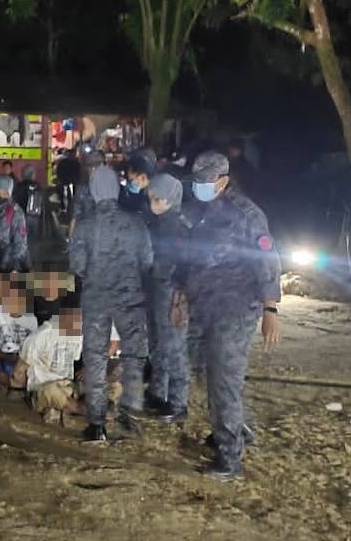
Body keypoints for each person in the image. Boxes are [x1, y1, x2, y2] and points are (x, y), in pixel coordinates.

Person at [178, 151, 280, 481]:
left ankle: (229, 457)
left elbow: (266, 260)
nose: (200, 187)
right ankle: (235, 427)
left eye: (205, 182)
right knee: (204, 371)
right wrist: (180, 293)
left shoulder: (247, 214)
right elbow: (188, 255)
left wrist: (270, 309)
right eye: (197, 182)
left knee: (224, 379)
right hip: (202, 305)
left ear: (223, 181)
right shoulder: (199, 210)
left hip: (234, 309)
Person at [69, 165, 153, 443]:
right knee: (133, 357)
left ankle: (96, 425)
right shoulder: (137, 222)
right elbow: (147, 262)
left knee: (94, 358)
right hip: (130, 298)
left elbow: (77, 265)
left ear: (93, 191)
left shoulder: (84, 224)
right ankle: (130, 415)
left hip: (96, 299)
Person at [143, 174, 191, 423]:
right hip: (154, 288)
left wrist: (179, 300)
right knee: (157, 343)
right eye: (151, 197)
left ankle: (178, 402)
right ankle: (157, 393)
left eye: (158, 197)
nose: (153, 202)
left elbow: (187, 267)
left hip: (172, 292)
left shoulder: (181, 227)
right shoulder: (157, 221)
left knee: (173, 346)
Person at [17, 297, 87, 424]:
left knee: (110, 386)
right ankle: (78, 409)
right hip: (44, 389)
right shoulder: (42, 335)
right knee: (51, 391)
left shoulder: (77, 335)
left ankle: (61, 409)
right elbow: (19, 372)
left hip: (68, 387)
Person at [0, 271, 38, 390]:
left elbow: (32, 351)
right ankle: (11, 383)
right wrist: (7, 357)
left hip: (18, 363)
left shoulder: (31, 320)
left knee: (18, 371)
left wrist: (19, 362)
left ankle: (9, 383)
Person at [69, 148, 105, 235]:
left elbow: (75, 217)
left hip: (88, 233)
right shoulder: (113, 186)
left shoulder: (82, 189)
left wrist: (71, 240)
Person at [119, 148, 157, 215]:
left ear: (142, 177)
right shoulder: (127, 193)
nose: (131, 183)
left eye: (132, 180)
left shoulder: (153, 198)